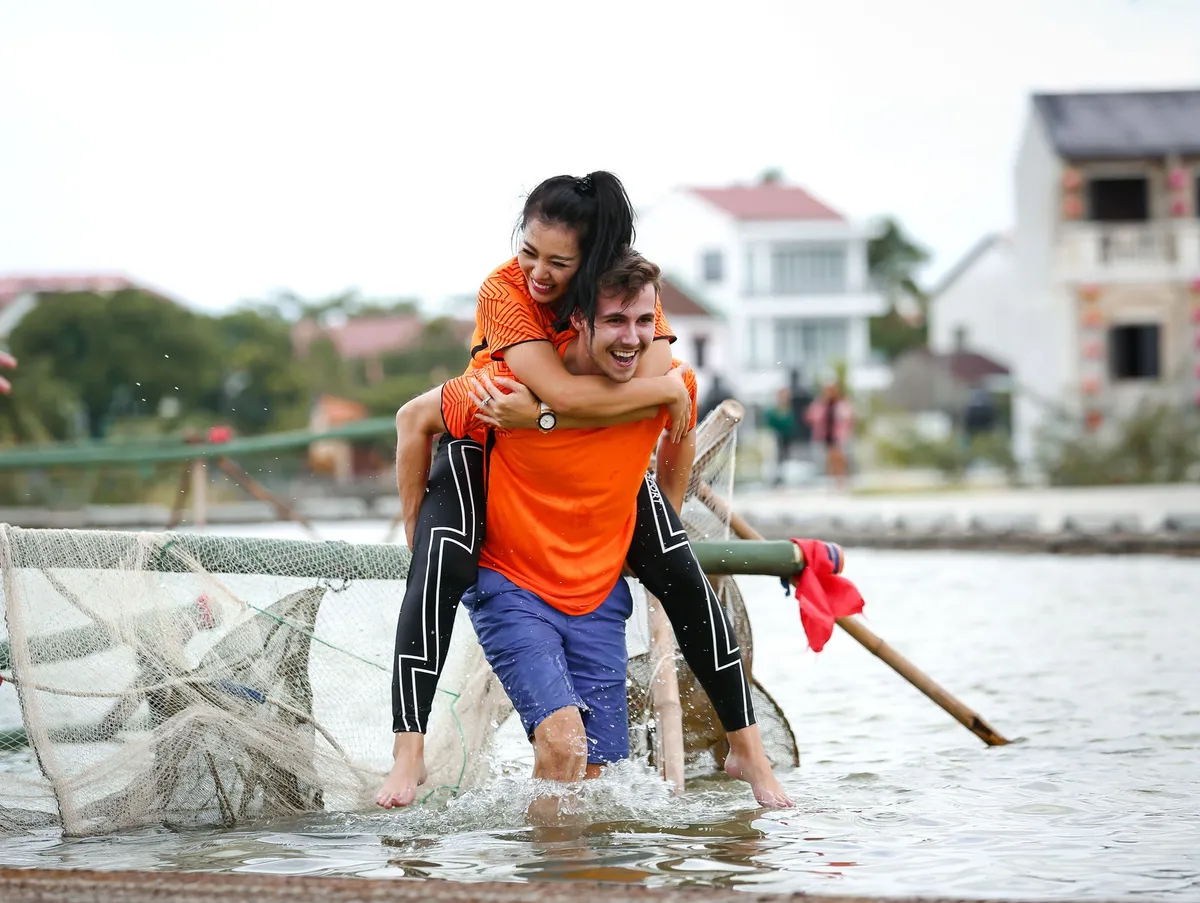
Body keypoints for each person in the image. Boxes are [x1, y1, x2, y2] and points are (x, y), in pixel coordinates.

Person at [380, 237, 791, 810]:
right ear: (576, 322)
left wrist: (649, 535)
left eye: (645, 320)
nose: (632, 337)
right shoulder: (504, 390)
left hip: (597, 594)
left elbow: (676, 453)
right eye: (615, 320)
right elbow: (413, 421)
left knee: (595, 781)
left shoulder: (671, 385)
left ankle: (575, 874)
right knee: (564, 748)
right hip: (515, 585)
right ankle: (411, 752)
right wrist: (412, 534)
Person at [806, 382, 854, 490]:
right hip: (826, 434)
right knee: (829, 458)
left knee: (839, 457)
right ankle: (832, 481)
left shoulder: (841, 403)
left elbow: (849, 417)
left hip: (838, 434)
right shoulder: (821, 404)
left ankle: (841, 480)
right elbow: (811, 417)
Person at [763, 387, 797, 486]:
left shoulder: (788, 409)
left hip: (786, 438)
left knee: (784, 458)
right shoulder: (773, 410)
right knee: (774, 458)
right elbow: (770, 423)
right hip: (775, 438)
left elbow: (791, 424)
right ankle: (774, 478)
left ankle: (782, 478)